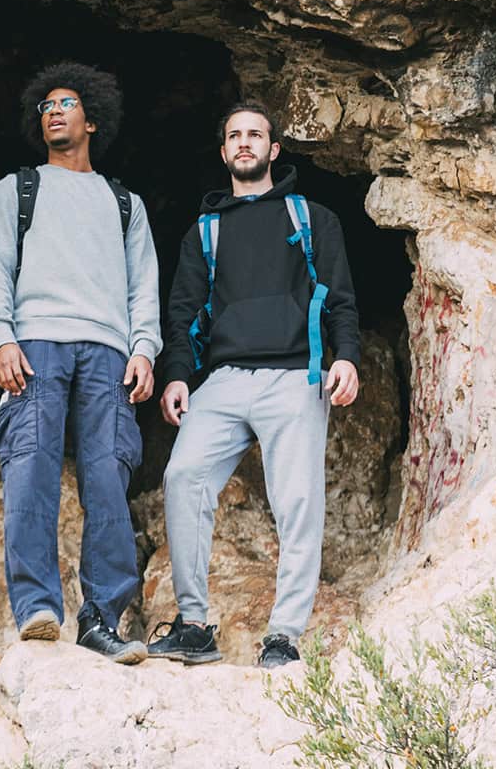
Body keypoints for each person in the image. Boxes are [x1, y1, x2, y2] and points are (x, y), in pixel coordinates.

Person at [148, 100, 360, 669]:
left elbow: (340, 297)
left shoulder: (312, 219)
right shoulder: (205, 231)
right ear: (223, 152)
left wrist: (349, 358)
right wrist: (176, 377)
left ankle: (284, 635)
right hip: (224, 378)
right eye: (235, 136)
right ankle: (193, 626)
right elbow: (183, 313)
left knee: (297, 503)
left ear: (274, 149)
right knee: (183, 475)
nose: (245, 143)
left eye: (255, 135)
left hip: (296, 376)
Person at [0, 62, 160, 663]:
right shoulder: (17, 189)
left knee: (107, 478)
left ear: (92, 119)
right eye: (45, 105)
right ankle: (37, 608)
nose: (53, 111)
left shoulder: (124, 202)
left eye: (67, 103)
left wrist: (144, 349)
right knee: (29, 470)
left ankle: (102, 620)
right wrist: (2, 338)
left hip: (108, 351)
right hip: (35, 343)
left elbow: (144, 288)